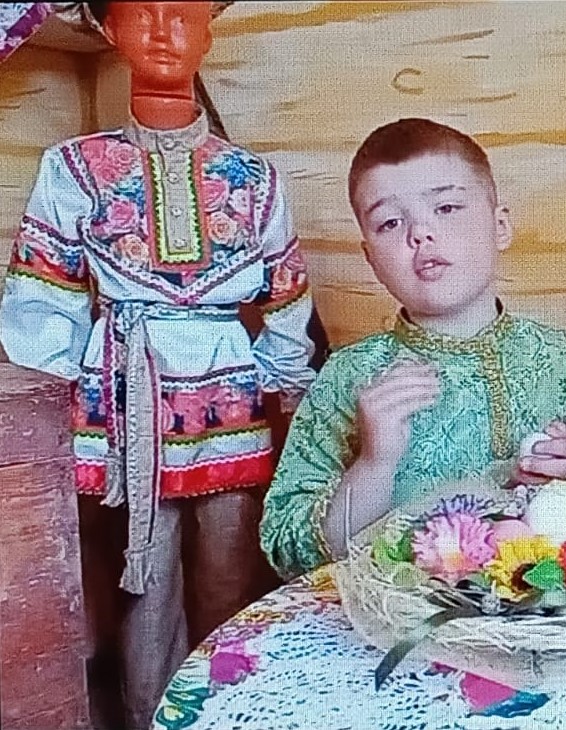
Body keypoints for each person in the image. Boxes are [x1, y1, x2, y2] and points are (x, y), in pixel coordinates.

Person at [0, 3, 317, 726]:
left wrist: (284, 379)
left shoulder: (254, 177)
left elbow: (287, 294)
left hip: (229, 401)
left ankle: (232, 710)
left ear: (209, 29)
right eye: (142, 13)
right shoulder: (74, 168)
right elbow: (42, 291)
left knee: (231, 572)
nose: (164, 32)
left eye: (184, 13)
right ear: (110, 31)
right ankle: (152, 714)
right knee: (143, 574)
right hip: (125, 396)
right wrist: (69, 393)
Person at [261, 119, 566, 579]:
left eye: (447, 207)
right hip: (398, 618)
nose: (420, 233)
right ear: (371, 259)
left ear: (500, 226)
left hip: (548, 615)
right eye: (390, 222)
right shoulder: (349, 378)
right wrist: (375, 463)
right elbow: (290, 553)